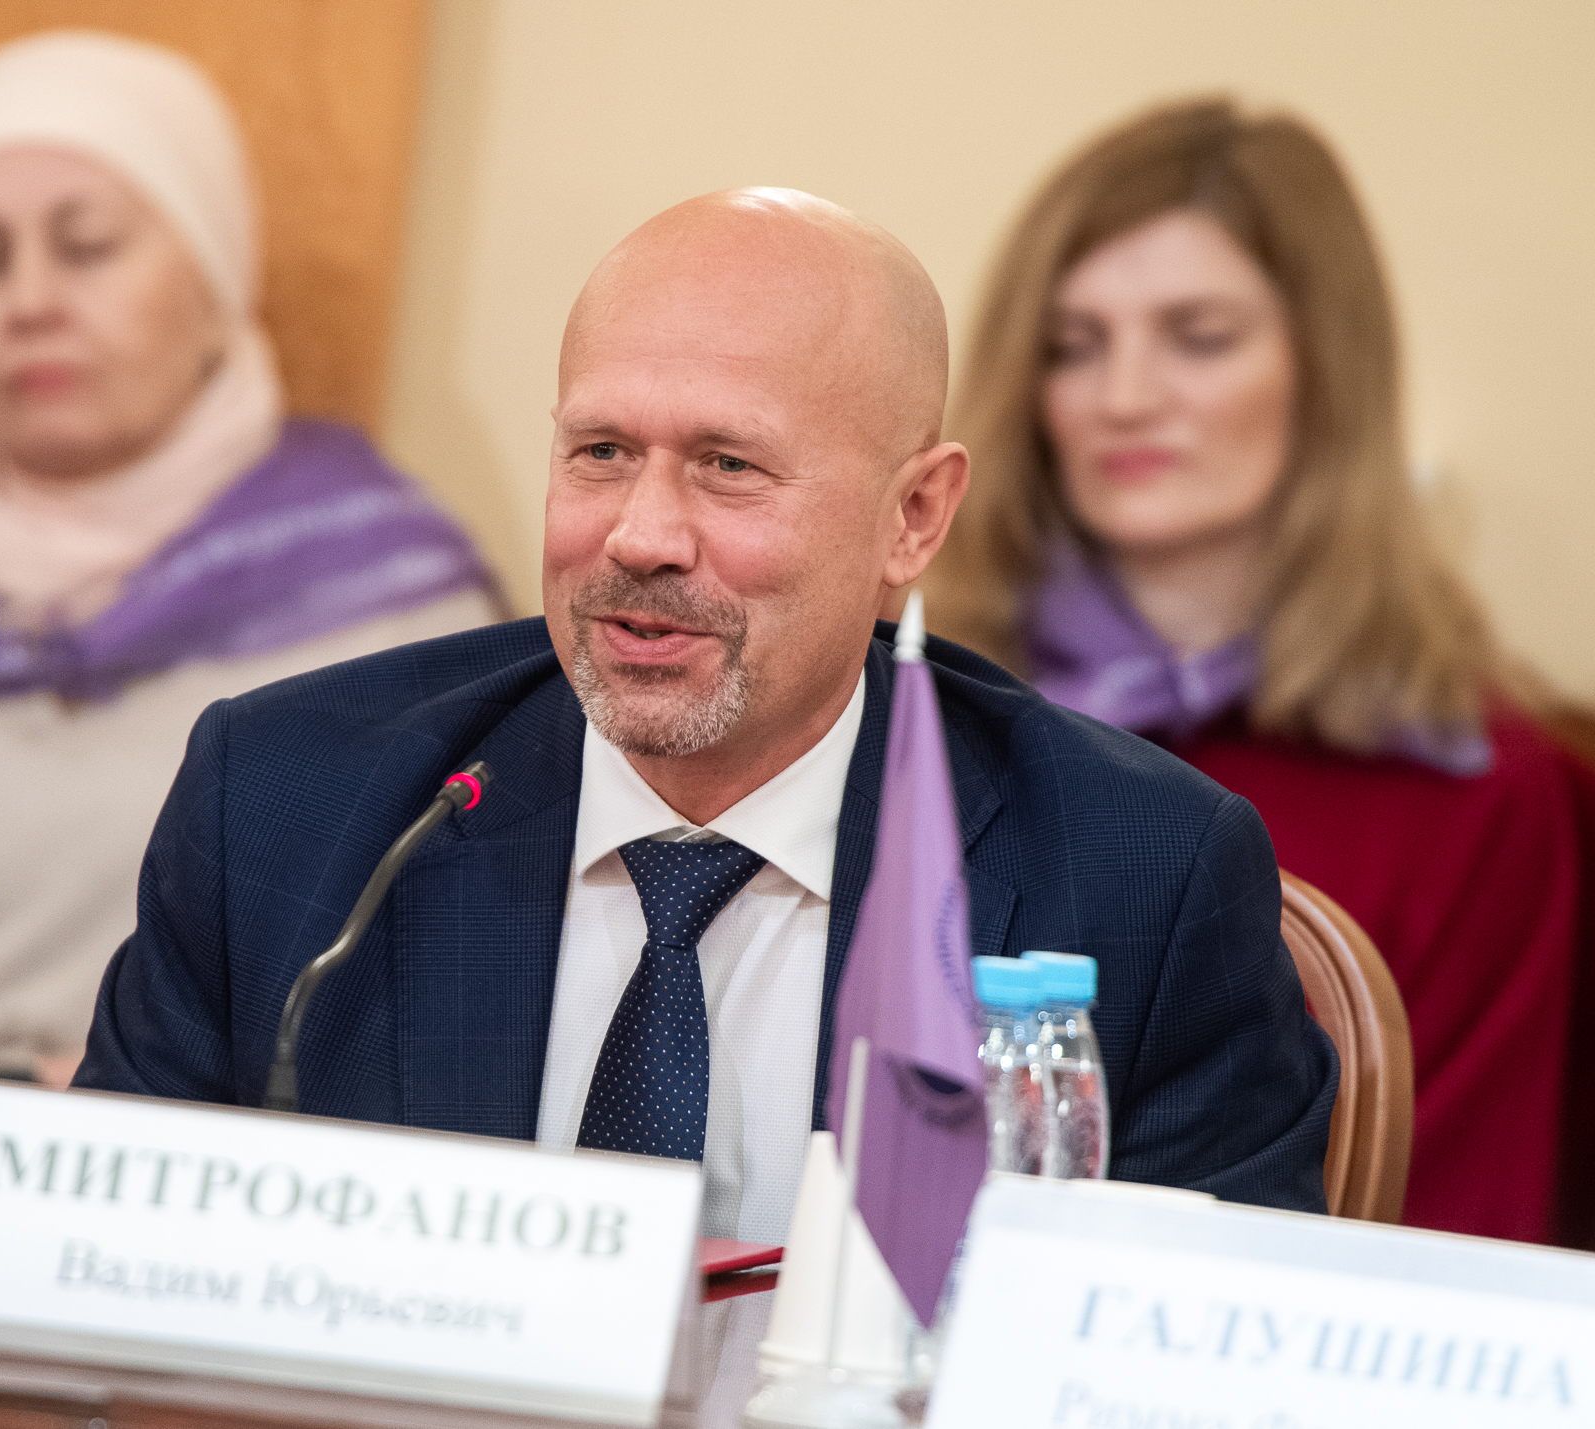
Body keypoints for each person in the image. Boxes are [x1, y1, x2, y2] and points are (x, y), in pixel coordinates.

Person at [77, 188, 1336, 1246]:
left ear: (912, 518)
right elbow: (90, 1297)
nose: (639, 536)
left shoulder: (1138, 878)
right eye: (600, 452)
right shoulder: (287, 801)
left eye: (728, 466)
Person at [0, 31, 499, 1173]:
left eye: (86, 248)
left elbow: (448, 994)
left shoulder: (394, 601)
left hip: (196, 1201)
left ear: (213, 275)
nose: (30, 300)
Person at [918, 97, 1592, 1245]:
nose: (1123, 397)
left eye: (1198, 336)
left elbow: (1454, 1245)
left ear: (1324, 373)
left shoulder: (1482, 793)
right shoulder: (920, 715)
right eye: (1072, 345)